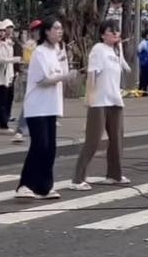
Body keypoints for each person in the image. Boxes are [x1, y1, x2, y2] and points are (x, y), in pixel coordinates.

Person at [68, 20, 130, 189]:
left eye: (117, 31)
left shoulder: (115, 51)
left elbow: (127, 69)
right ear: (103, 34)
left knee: (117, 138)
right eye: (111, 31)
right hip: (99, 101)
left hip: (115, 99)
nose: (116, 34)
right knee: (93, 140)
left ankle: (114, 175)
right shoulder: (98, 49)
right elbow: (92, 75)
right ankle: (78, 178)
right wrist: (89, 98)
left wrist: (121, 50)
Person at [16, 17, 69, 199]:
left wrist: (65, 70)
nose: (59, 31)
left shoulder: (57, 51)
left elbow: (62, 72)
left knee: (50, 148)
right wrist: (66, 77)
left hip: (51, 105)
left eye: (61, 28)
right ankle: (25, 184)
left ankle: (44, 186)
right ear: (46, 31)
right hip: (37, 106)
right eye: (55, 28)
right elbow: (44, 80)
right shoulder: (39, 52)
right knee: (40, 145)